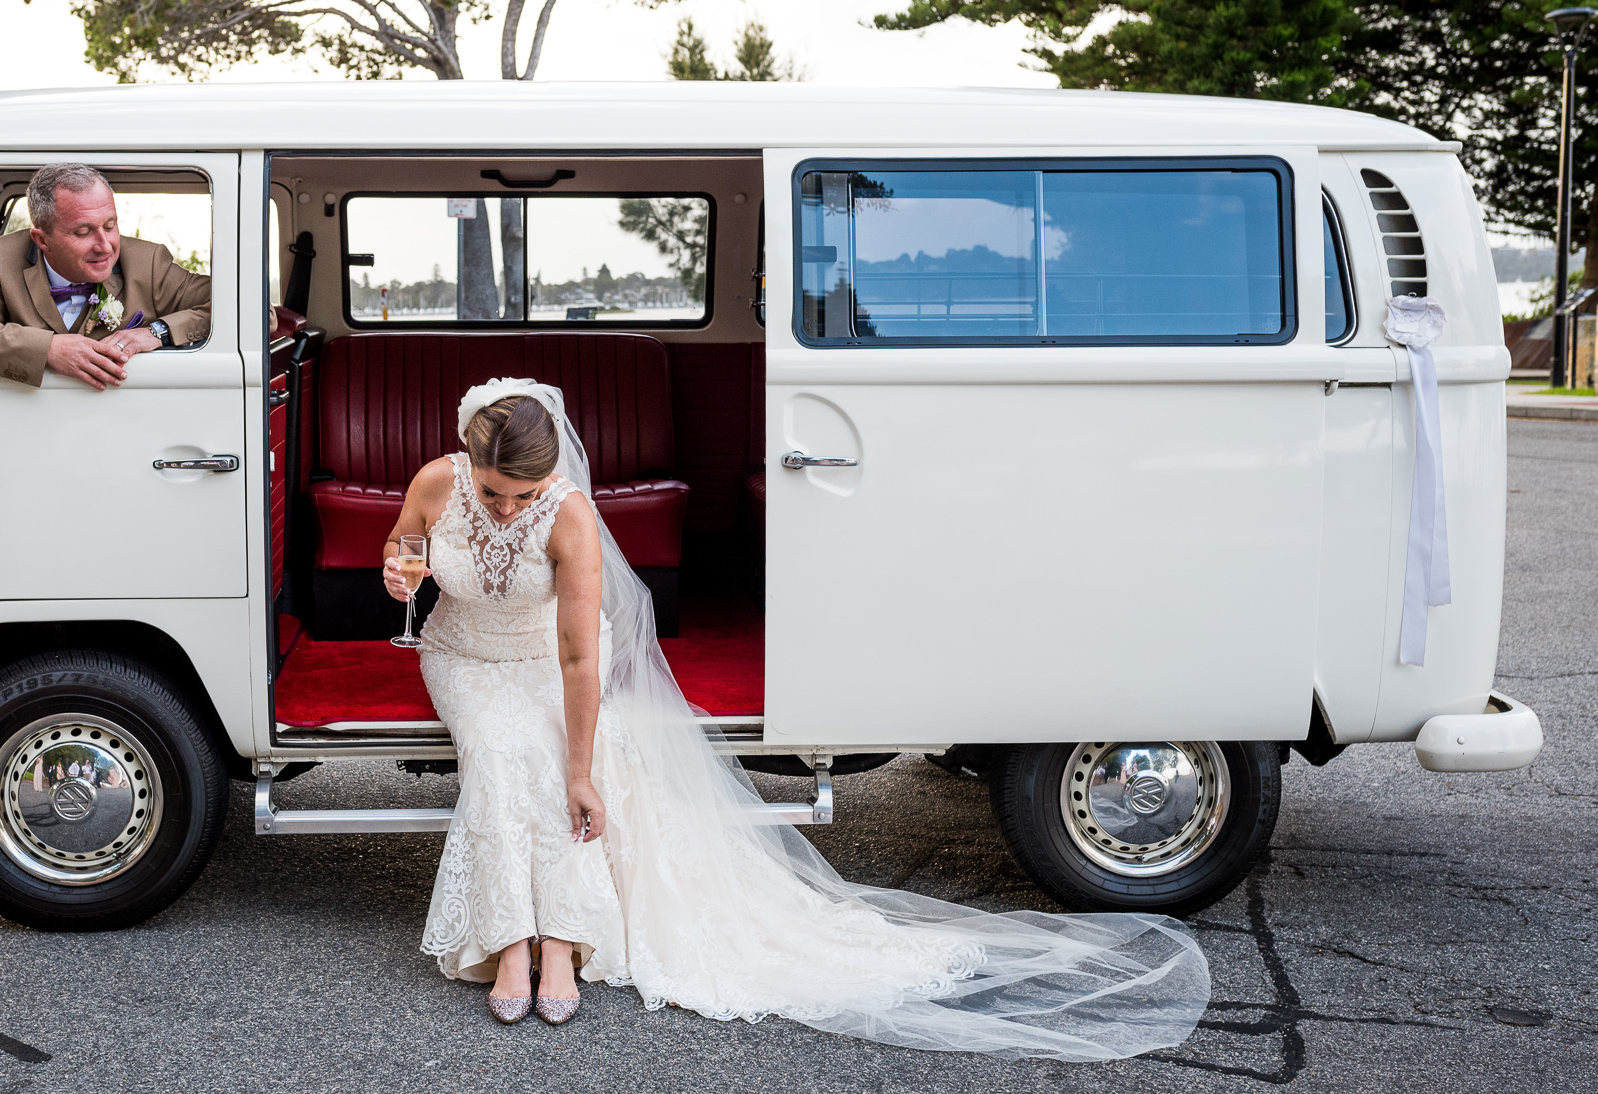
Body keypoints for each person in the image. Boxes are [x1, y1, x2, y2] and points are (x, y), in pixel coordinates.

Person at [381, 379, 1211, 1059]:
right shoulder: (435, 480)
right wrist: (399, 571)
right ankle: (511, 938)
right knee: (498, 747)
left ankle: (558, 939)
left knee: (559, 747)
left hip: (545, 653)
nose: (504, 506)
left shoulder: (564, 514)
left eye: (522, 492)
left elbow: (575, 658)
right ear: (467, 462)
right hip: (463, 655)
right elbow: (402, 545)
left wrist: (582, 770)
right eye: (493, 492)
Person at [0, 163, 210, 389]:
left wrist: (156, 332)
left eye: (110, 226)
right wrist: (48, 349)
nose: (105, 246)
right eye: (83, 232)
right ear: (41, 240)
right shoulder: (3, 260)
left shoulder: (147, 262)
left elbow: (241, 299)